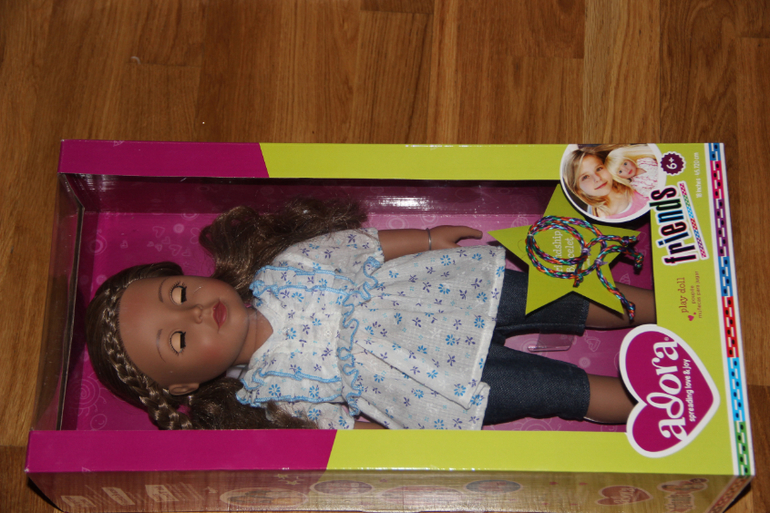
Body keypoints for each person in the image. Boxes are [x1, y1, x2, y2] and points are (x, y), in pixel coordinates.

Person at [86, 198, 655, 430]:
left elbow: (364, 247)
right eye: (177, 342)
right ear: (184, 387)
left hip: (443, 294)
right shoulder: (274, 393)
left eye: (179, 294)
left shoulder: (287, 269)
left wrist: (427, 238)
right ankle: (667, 408)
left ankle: (667, 309)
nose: (194, 314)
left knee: (565, 298)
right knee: (562, 391)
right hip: (438, 386)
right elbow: (348, 432)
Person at [563, 146, 649, 220]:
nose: (597, 178)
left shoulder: (636, 180)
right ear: (578, 189)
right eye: (585, 177)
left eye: (599, 169)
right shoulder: (603, 220)